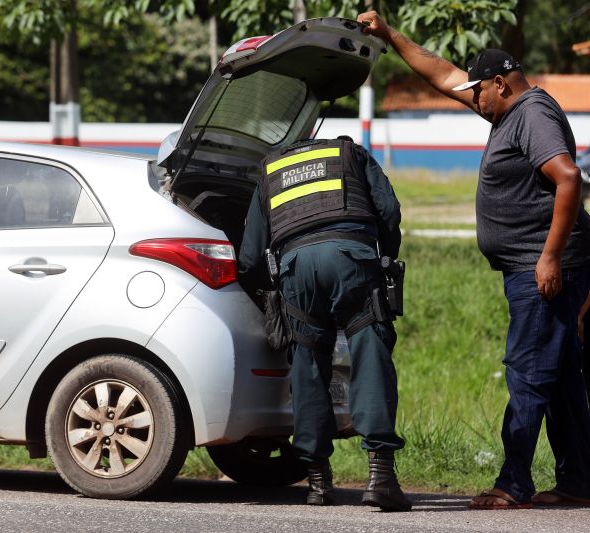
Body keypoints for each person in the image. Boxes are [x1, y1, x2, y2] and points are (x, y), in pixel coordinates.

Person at [357, 11, 590, 510]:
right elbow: (441, 74)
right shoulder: (509, 108)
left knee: (528, 371)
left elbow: (569, 179)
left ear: (500, 84)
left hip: (543, 270)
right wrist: (389, 35)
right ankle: (578, 480)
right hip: (535, 267)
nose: (474, 102)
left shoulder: (531, 114)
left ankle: (513, 483)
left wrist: (548, 259)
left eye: (479, 92)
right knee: (562, 374)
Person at [239, 135, 411, 511]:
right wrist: (382, 258)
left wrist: (270, 292)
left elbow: (250, 256)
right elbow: (389, 210)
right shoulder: (349, 152)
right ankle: (381, 479)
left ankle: (318, 485)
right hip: (352, 257)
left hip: (296, 270)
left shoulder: (271, 170)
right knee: (370, 354)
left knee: (307, 366)